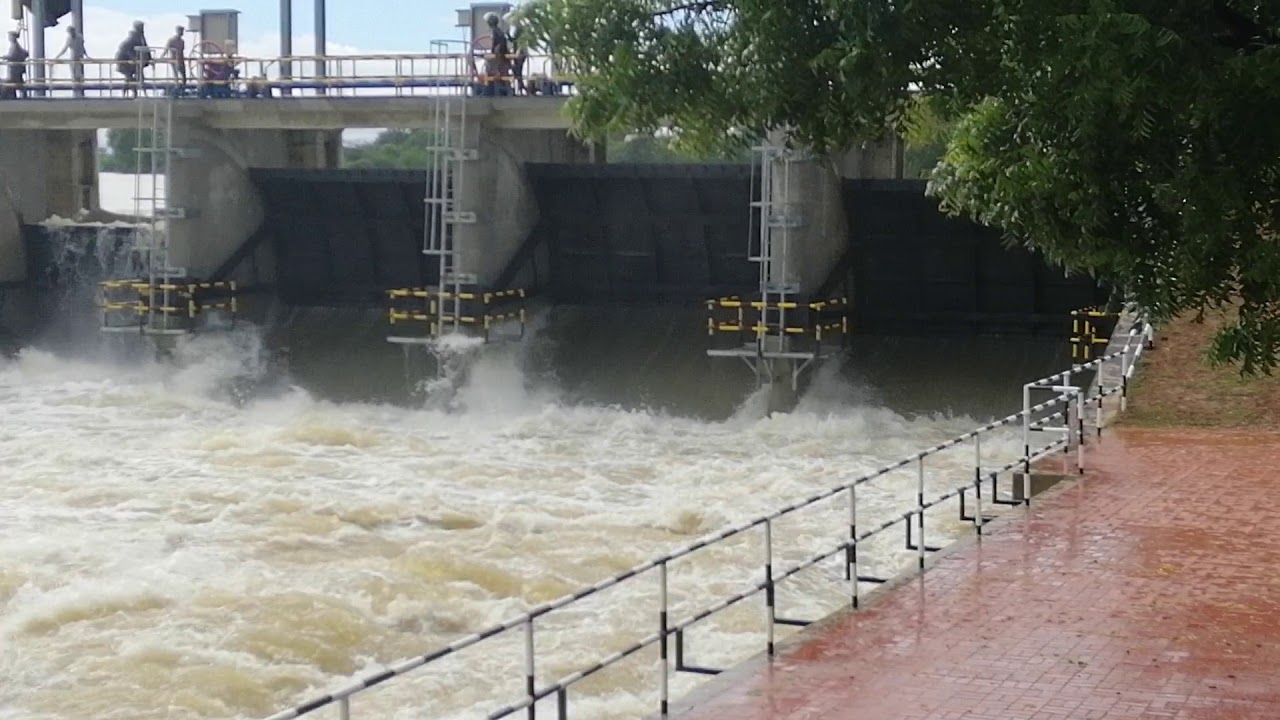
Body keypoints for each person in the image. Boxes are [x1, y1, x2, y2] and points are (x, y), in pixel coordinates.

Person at [115, 20, 150, 97]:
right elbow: (125, 49)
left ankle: (138, 93)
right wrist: (132, 58)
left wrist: (149, 59)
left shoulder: (141, 37)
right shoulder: (132, 38)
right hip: (125, 61)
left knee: (138, 77)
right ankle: (131, 93)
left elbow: (145, 48)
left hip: (135, 62)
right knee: (129, 78)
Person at [54, 26, 87, 97]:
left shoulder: (76, 38)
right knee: (76, 75)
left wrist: (86, 55)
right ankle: (78, 92)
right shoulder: (76, 37)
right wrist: (57, 57)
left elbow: (82, 47)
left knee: (78, 75)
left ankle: (78, 92)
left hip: (77, 58)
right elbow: (65, 49)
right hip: (75, 58)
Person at [3, 31, 28, 100]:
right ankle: (22, 96)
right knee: (18, 82)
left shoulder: (15, 46)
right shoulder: (15, 45)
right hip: (16, 69)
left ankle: (13, 97)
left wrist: (5, 57)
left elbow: (13, 55)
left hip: (15, 69)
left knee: (12, 82)